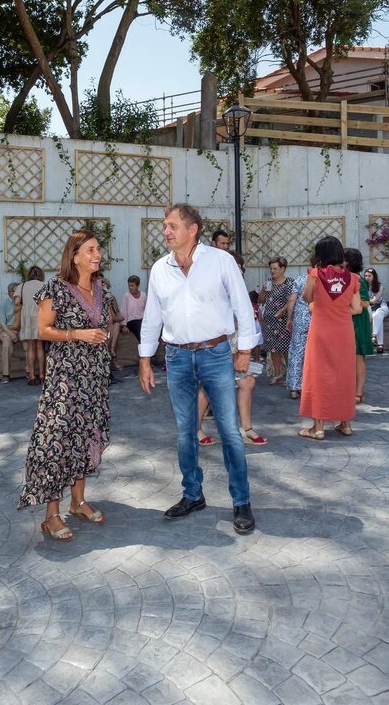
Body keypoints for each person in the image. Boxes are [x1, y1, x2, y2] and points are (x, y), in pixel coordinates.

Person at [139, 204, 257, 534]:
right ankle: (193, 494)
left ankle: (241, 501)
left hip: (216, 353)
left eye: (173, 225)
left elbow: (242, 306)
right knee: (185, 431)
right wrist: (145, 359)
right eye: (165, 225)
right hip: (176, 358)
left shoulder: (221, 261)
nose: (166, 231)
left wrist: (245, 349)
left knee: (230, 430)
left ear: (192, 230)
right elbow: (152, 316)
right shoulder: (159, 269)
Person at [19, 231, 114, 541]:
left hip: (95, 379)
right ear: (74, 256)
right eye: (90, 249)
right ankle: (51, 515)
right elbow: (42, 329)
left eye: (98, 249)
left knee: (86, 436)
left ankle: (79, 501)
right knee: (57, 441)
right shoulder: (56, 288)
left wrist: (100, 338)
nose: (97, 254)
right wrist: (77, 335)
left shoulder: (101, 287)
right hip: (65, 381)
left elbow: (107, 322)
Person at [196, 251, 267, 447]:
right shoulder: (208, 280)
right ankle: (196, 429)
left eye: (239, 268)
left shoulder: (237, 281)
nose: (237, 271)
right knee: (209, 386)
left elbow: (243, 309)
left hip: (236, 340)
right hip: (215, 339)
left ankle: (247, 428)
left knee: (247, 382)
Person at [298, 237, 362, 439]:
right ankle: (345, 424)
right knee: (344, 374)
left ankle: (317, 428)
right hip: (344, 331)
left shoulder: (315, 274)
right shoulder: (352, 278)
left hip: (321, 330)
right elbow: (357, 308)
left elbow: (307, 297)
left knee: (318, 374)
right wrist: (339, 311)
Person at [345, 248, 373, 404]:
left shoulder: (357, 279)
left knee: (358, 357)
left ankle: (359, 392)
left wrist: (342, 308)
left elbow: (364, 302)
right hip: (348, 321)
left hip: (357, 322)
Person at [258, 256, 292, 384]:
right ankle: (278, 374)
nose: (272, 271)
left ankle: (290, 374)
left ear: (283, 268)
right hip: (269, 320)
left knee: (285, 348)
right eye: (271, 268)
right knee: (273, 348)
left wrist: (282, 311)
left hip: (282, 320)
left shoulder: (289, 283)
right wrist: (262, 292)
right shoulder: (268, 282)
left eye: (275, 268)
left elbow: (291, 301)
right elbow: (261, 301)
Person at [285, 258, 315, 399]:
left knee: (297, 351)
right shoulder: (323, 280)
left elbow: (292, 300)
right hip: (316, 318)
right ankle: (309, 385)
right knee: (313, 353)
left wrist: (289, 318)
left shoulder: (301, 278)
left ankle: (293, 387)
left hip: (300, 319)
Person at [18, 266, 46, 385]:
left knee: (30, 347)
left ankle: (32, 376)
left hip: (27, 317)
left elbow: (16, 302)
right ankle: (42, 375)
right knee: (40, 346)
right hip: (40, 315)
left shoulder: (22, 286)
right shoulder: (44, 285)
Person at [0, 283, 21, 383]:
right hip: (8, 329)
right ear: (9, 293)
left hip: (22, 329)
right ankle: (6, 374)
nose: (15, 293)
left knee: (29, 343)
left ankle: (30, 372)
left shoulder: (23, 303)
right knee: (6, 344)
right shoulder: (3, 304)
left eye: (17, 291)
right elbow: (1, 323)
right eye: (13, 291)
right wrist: (11, 334)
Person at [363, 267, 388, 353]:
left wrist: (365, 301)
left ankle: (373, 336)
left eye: (369, 276)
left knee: (379, 313)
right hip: (370, 309)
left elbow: (374, 300)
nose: (367, 278)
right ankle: (380, 344)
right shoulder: (362, 286)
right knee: (377, 317)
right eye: (365, 276)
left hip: (381, 306)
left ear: (374, 276)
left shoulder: (380, 286)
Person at [120, 275, 147, 343]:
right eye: (129, 285)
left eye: (132, 285)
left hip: (142, 320)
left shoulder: (143, 295)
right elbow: (124, 311)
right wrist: (124, 326)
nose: (130, 288)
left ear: (137, 286)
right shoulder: (127, 296)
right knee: (140, 332)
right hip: (132, 321)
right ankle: (144, 350)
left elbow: (146, 310)